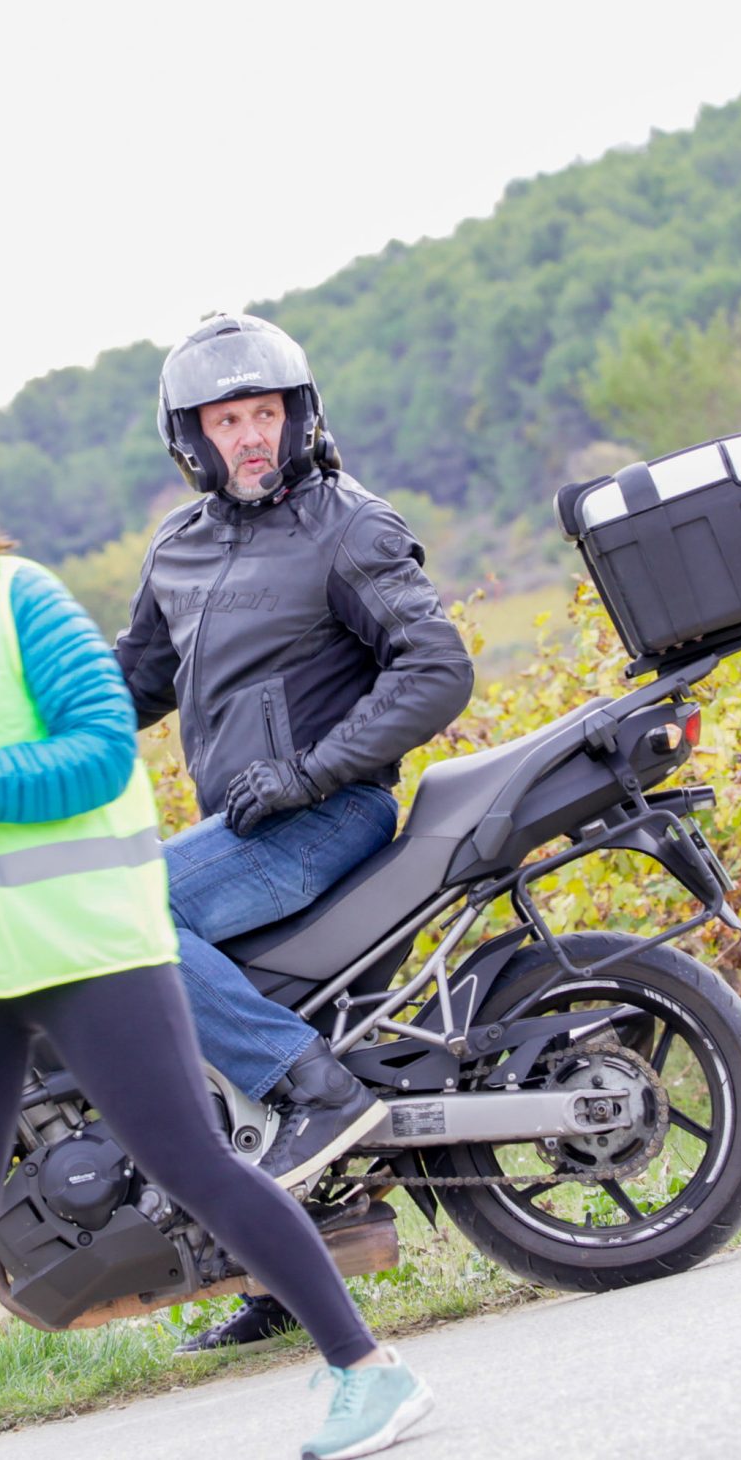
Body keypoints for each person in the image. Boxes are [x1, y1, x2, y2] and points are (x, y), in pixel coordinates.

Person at [0, 408, 436, 1460]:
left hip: (83, 943)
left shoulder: (15, 599)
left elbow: (100, 750)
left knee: (193, 1162)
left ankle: (370, 1371)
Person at [114, 313, 473, 1356]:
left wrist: (311, 771)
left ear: (299, 414)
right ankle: (281, 1267)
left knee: (122, 912)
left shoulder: (346, 527)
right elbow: (128, 686)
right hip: (243, 830)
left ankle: (314, 1086)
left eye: (264, 412)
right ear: (192, 435)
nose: (250, 435)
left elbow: (436, 668)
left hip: (328, 815)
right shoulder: (178, 548)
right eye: (227, 419)